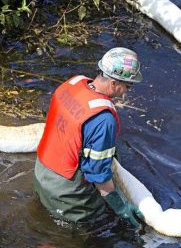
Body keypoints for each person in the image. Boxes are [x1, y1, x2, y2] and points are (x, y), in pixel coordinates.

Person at [34, 47, 145, 228]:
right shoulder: (104, 120)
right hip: (65, 193)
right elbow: (98, 174)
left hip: (41, 173)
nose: (126, 92)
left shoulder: (73, 83)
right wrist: (121, 208)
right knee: (82, 236)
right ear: (114, 83)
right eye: (127, 86)